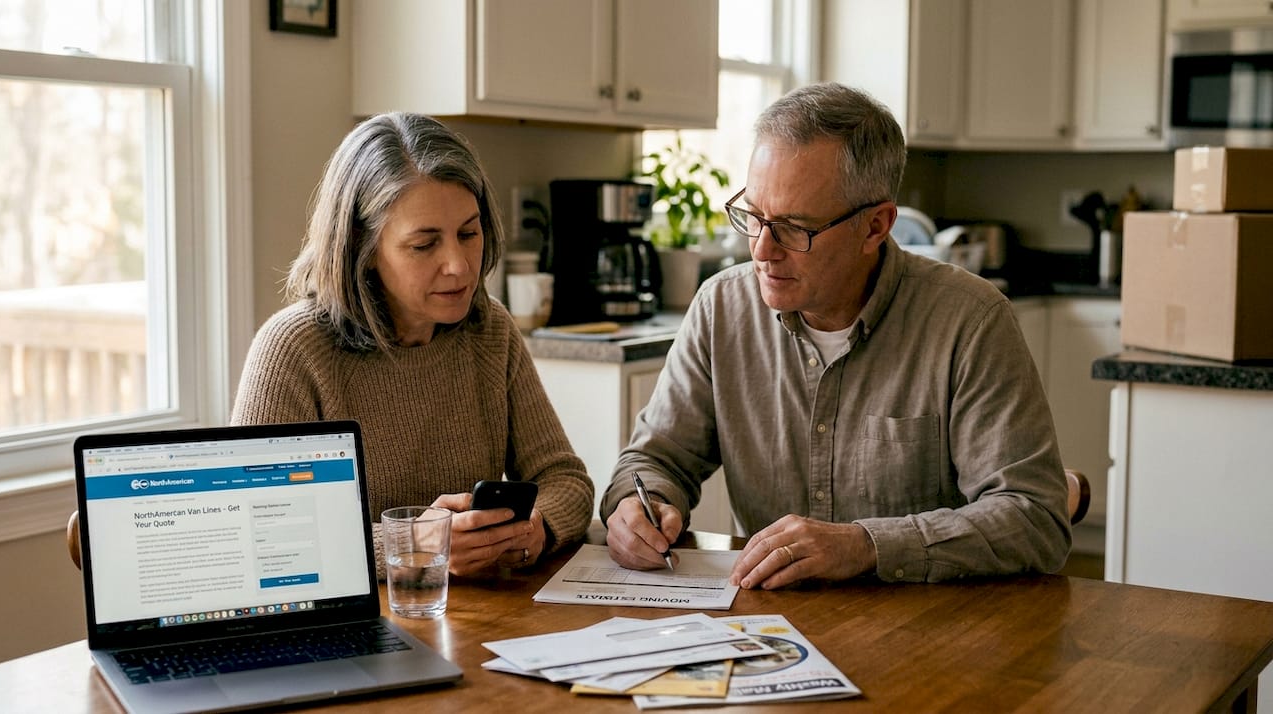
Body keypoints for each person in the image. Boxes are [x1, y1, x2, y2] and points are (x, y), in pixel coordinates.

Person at [601, 83, 1070, 588]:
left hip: (932, 631)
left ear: (875, 227)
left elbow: (1033, 518)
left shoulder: (969, 321)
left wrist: (867, 545)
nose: (762, 250)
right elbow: (655, 459)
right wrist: (636, 505)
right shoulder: (721, 308)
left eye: (794, 228)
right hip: (768, 629)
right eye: (753, 217)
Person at [232, 112, 594, 578]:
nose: (460, 267)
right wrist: (412, 545)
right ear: (361, 248)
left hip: (472, 621)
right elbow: (262, 536)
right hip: (352, 628)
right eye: (424, 245)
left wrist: (534, 531)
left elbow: (565, 480)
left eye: (469, 233)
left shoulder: (490, 330)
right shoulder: (293, 350)